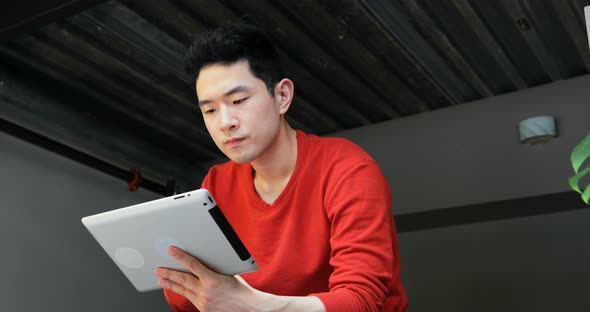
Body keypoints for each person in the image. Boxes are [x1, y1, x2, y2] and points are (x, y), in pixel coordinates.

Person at [153, 22, 408, 312]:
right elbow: (192, 300)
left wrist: (255, 306)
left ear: (283, 96)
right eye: (210, 110)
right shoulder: (216, 184)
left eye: (238, 100)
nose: (225, 122)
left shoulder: (347, 169)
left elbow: (362, 301)